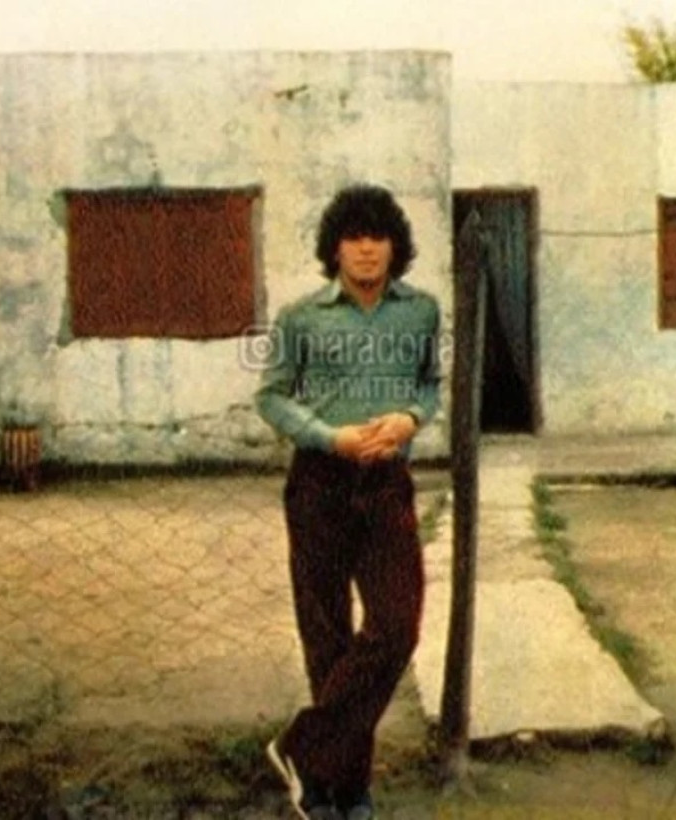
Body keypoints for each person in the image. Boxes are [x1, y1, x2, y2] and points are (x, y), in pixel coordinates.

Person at [255, 184, 440, 820]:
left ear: (395, 247)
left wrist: (411, 417)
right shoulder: (302, 319)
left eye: (378, 237)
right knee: (327, 637)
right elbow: (272, 397)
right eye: (353, 237)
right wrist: (328, 435)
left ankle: (300, 749)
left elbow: (430, 384)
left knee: (396, 625)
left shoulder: (421, 313)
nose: (366, 249)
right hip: (319, 485)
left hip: (386, 486)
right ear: (335, 248)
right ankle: (343, 791)